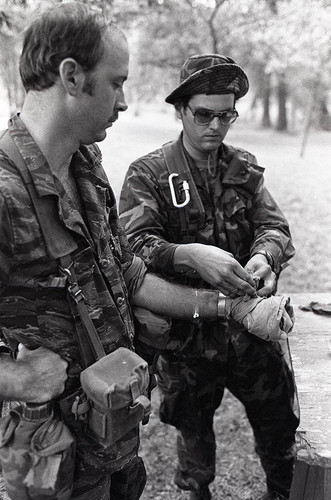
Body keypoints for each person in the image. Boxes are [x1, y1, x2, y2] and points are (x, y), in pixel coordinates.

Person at [0, 6, 293, 500]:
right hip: (50, 460)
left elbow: (129, 274)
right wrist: (16, 378)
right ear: (71, 76)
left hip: (110, 443)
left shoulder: (86, 168)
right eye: (116, 84)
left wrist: (230, 306)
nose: (124, 102)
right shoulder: (5, 195)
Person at [119, 54, 300, 500]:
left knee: (280, 432)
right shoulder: (150, 174)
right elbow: (132, 247)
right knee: (194, 446)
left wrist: (264, 257)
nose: (216, 126)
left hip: (250, 336)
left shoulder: (243, 167)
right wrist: (188, 255)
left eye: (227, 115)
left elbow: (274, 227)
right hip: (188, 341)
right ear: (180, 110)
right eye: (204, 114)